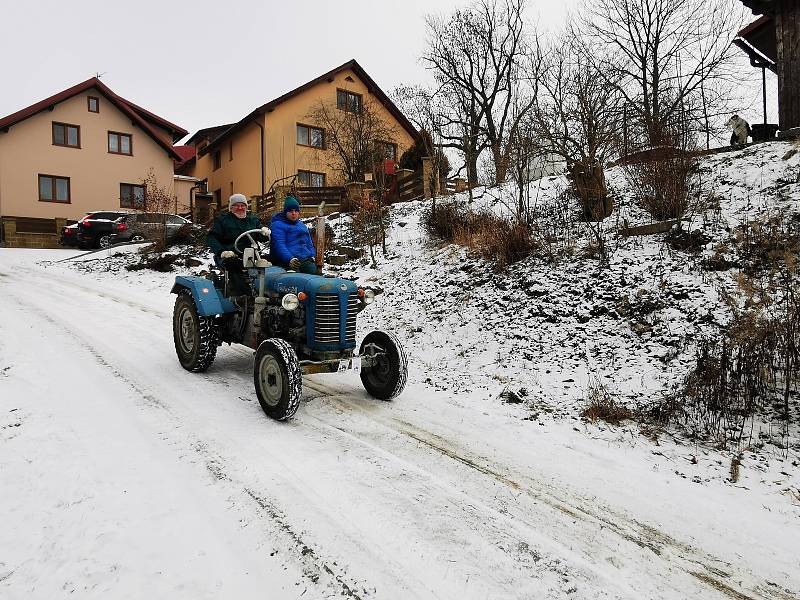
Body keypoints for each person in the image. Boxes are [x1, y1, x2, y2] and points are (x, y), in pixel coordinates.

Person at [206, 193, 270, 294]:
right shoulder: (223, 220)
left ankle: (268, 292)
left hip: (251, 255)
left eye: (243, 205)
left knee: (271, 262)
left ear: (246, 207)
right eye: (236, 205)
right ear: (231, 207)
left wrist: (265, 232)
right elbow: (212, 238)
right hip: (231, 255)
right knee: (233, 265)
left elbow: (261, 237)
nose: (240, 208)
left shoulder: (252, 220)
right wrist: (222, 252)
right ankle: (243, 295)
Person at [270, 195, 317, 273]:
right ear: (285, 212)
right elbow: (279, 245)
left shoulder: (302, 226)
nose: (294, 213)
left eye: (296, 211)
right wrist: (290, 259)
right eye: (291, 211)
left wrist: (312, 255)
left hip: (304, 260)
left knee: (313, 274)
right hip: (287, 262)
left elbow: (309, 243)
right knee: (296, 278)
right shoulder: (277, 225)